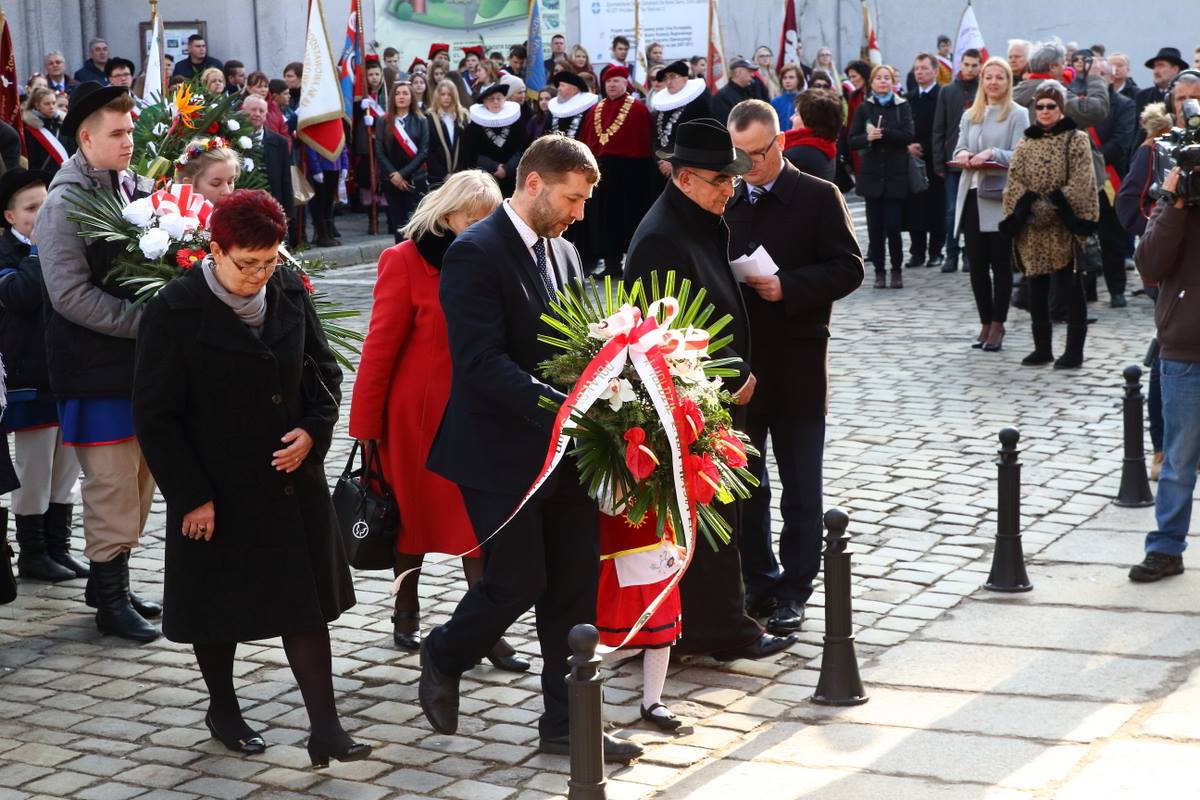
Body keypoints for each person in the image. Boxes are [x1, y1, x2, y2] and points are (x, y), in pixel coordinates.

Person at [416, 136, 643, 764]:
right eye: (572, 198)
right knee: (517, 581)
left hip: (564, 450)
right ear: (535, 183)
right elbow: (480, 361)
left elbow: (576, 348)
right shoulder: (474, 251)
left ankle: (569, 724)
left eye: (585, 200)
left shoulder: (566, 251)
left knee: (573, 588)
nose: (579, 212)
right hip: (496, 450)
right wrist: (562, 408)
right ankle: (445, 652)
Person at [132, 188, 367, 766]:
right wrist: (192, 496)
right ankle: (223, 708)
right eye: (247, 264)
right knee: (218, 607)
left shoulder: (289, 288)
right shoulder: (174, 310)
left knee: (304, 605)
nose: (259, 275)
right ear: (215, 251)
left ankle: (326, 728)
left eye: (269, 261)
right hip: (217, 488)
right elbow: (156, 417)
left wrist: (313, 430)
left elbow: (324, 372)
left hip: (290, 483)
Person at [625, 118, 795, 662]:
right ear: (685, 178)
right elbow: (661, 331)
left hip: (713, 401)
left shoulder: (696, 218)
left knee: (724, 515)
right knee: (710, 517)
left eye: (732, 178)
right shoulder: (661, 235)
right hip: (692, 405)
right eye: (721, 179)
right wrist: (730, 371)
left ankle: (708, 626)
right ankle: (719, 631)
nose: (730, 189)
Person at [349, 170, 527, 671]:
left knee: (477, 525)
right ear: (447, 214)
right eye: (472, 217)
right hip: (416, 418)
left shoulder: (496, 258)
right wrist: (365, 426)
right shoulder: (404, 260)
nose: (480, 226)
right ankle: (405, 608)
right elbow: (379, 348)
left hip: (478, 412)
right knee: (411, 521)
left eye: (488, 218)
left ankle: (484, 630)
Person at [724, 101, 864, 634]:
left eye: (757, 154)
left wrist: (790, 286)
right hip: (743, 367)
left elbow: (849, 268)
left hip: (799, 362)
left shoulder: (818, 195)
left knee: (802, 488)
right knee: (746, 483)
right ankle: (758, 579)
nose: (748, 166)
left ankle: (796, 588)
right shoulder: (728, 196)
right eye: (738, 157)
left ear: (780, 142)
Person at [33, 82, 159, 642]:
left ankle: (114, 583)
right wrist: (146, 321)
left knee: (140, 480)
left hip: (135, 368)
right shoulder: (63, 203)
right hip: (93, 371)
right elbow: (69, 295)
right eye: (118, 133)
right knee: (111, 484)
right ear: (86, 139)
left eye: (131, 131)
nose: (129, 141)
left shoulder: (131, 187)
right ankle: (109, 600)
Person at [0, 168, 85, 584]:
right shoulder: (7, 253)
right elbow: (19, 295)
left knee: (66, 464)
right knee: (35, 467)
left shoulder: (66, 243)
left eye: (47, 206)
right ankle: (33, 551)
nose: (42, 215)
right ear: (10, 217)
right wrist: (37, 249)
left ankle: (58, 545)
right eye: (32, 208)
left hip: (65, 372)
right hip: (28, 377)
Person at [1127, 162, 1200, 580]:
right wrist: (1173, 205)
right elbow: (1150, 266)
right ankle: (1166, 548)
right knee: (1178, 460)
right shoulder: (1176, 199)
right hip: (1186, 348)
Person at [1000, 80, 1099, 369]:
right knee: (1037, 288)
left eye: (1050, 106)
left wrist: (1054, 206)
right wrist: (1028, 207)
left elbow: (1082, 180)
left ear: (1061, 108)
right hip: (1033, 228)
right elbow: (1014, 180)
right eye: (1040, 106)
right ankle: (1042, 348)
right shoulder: (1026, 142)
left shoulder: (1076, 139)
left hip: (1063, 227)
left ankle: (1074, 351)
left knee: (1071, 288)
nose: (1044, 111)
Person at [951, 57, 1026, 352]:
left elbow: (1021, 154)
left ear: (1008, 82)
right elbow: (959, 145)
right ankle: (984, 321)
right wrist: (962, 154)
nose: (993, 82)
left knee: (1000, 263)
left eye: (999, 77)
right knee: (977, 265)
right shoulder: (971, 114)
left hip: (998, 196)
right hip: (971, 193)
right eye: (988, 77)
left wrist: (992, 153)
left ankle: (998, 323)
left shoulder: (1017, 114)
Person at [580, 65, 654, 276]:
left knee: (628, 218)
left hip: (629, 174)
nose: (611, 85)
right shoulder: (596, 109)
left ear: (625, 83)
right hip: (601, 172)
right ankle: (611, 264)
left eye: (616, 81)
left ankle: (634, 265)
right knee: (603, 220)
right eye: (608, 81)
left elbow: (644, 143)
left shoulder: (638, 109)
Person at [848, 64, 914, 289]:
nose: (883, 81)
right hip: (872, 177)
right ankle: (879, 271)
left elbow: (908, 135)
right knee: (875, 229)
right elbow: (852, 140)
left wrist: (884, 133)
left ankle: (896, 270)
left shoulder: (902, 106)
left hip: (895, 175)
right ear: (872, 82)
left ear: (893, 82)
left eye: (887, 78)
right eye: (879, 78)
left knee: (893, 227)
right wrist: (868, 138)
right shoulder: (864, 108)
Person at [1090, 59, 1136, 308]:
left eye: (1100, 75)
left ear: (1110, 77)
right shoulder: (1079, 103)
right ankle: (1087, 290)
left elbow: (1121, 140)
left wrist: (1093, 158)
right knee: (1083, 236)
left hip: (1110, 178)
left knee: (1112, 238)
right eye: (1092, 75)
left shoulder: (1125, 105)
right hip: (1083, 178)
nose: (1096, 79)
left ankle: (1116, 290)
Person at [932, 49, 981, 273]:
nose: (970, 69)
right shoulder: (948, 91)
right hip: (953, 161)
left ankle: (971, 253)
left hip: (978, 161)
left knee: (973, 210)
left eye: (974, 65)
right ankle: (951, 253)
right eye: (966, 64)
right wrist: (938, 161)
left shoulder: (983, 90)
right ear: (960, 64)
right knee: (952, 210)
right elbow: (939, 128)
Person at [375, 82, 429, 244]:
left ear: (412, 97)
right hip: (391, 180)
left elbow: (424, 152)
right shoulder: (383, 121)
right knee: (397, 223)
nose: (401, 96)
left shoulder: (421, 120)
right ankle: (400, 256)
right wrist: (394, 175)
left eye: (405, 93)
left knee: (414, 223)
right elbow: (379, 151)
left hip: (415, 180)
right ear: (392, 97)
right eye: (398, 93)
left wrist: (402, 174)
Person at [906, 53, 945, 268]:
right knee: (915, 208)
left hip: (934, 159)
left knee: (936, 207)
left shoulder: (942, 95)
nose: (919, 72)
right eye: (917, 68)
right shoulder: (908, 97)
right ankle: (917, 252)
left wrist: (925, 146)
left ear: (935, 71)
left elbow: (944, 128)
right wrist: (908, 146)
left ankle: (936, 251)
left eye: (924, 68)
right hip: (912, 161)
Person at [650, 61, 710, 192]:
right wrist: (660, 161)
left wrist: (675, 162)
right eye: (666, 78)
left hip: (688, 168)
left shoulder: (698, 101)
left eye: (673, 77)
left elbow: (700, 137)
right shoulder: (662, 105)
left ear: (685, 78)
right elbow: (655, 138)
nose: (668, 82)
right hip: (662, 170)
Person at [461, 83, 527, 197]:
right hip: (484, 180)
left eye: (499, 98)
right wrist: (494, 167)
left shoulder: (516, 122)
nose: (495, 102)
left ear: (504, 100)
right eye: (491, 99)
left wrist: (507, 169)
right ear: (485, 102)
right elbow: (469, 153)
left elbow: (523, 149)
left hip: (513, 179)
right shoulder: (474, 126)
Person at [783, 89, 841, 181]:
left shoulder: (798, 154)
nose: (791, 118)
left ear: (810, 120)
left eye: (796, 114)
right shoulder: (825, 143)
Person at [174, 136, 240, 205]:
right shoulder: (170, 210)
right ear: (188, 184)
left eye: (230, 182)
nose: (227, 192)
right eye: (216, 184)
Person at [427, 79, 468, 186]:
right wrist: (444, 174)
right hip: (438, 177)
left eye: (450, 94)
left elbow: (466, 147)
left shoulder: (462, 116)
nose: (446, 97)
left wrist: (458, 172)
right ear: (437, 96)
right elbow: (429, 150)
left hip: (459, 176)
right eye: (443, 94)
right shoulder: (429, 118)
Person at [22, 88, 70, 176]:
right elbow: (32, 159)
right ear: (37, 105)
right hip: (42, 176)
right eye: (47, 104)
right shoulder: (29, 130)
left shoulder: (62, 123)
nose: (51, 107)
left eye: (54, 103)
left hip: (64, 174)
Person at [1135, 47, 1188, 122]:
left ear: (1175, 69)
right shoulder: (1142, 97)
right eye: (1154, 67)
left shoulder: (1187, 96)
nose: (1155, 72)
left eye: (1160, 66)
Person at [545, 72, 598, 138]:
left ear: (574, 90)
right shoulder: (554, 109)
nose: (558, 88)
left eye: (562, 85)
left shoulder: (588, 109)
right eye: (559, 86)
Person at [770, 64, 804, 129]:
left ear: (799, 79)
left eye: (791, 77)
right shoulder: (775, 102)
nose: (787, 81)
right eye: (784, 78)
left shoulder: (804, 101)